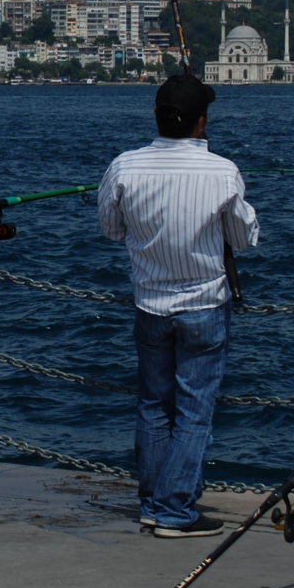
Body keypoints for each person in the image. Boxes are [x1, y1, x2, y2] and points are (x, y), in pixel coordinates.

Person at [98, 73, 258, 539]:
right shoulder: (223, 171)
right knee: (193, 410)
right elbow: (244, 239)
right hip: (205, 304)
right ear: (202, 122)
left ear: (156, 116)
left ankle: (152, 502)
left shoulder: (124, 167)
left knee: (152, 403)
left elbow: (110, 229)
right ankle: (174, 510)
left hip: (150, 303)